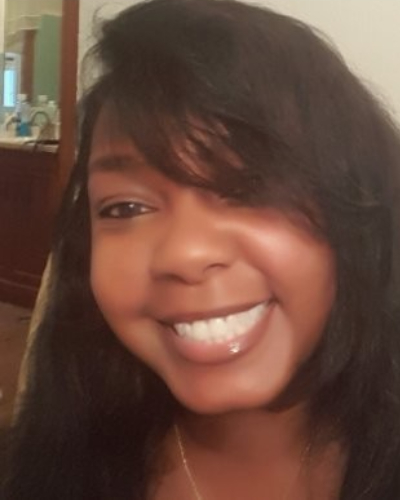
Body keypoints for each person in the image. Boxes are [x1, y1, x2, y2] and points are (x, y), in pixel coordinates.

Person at [2, 0, 400, 498]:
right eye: (126, 207)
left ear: (357, 215)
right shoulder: (48, 467)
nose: (184, 254)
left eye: (249, 188)